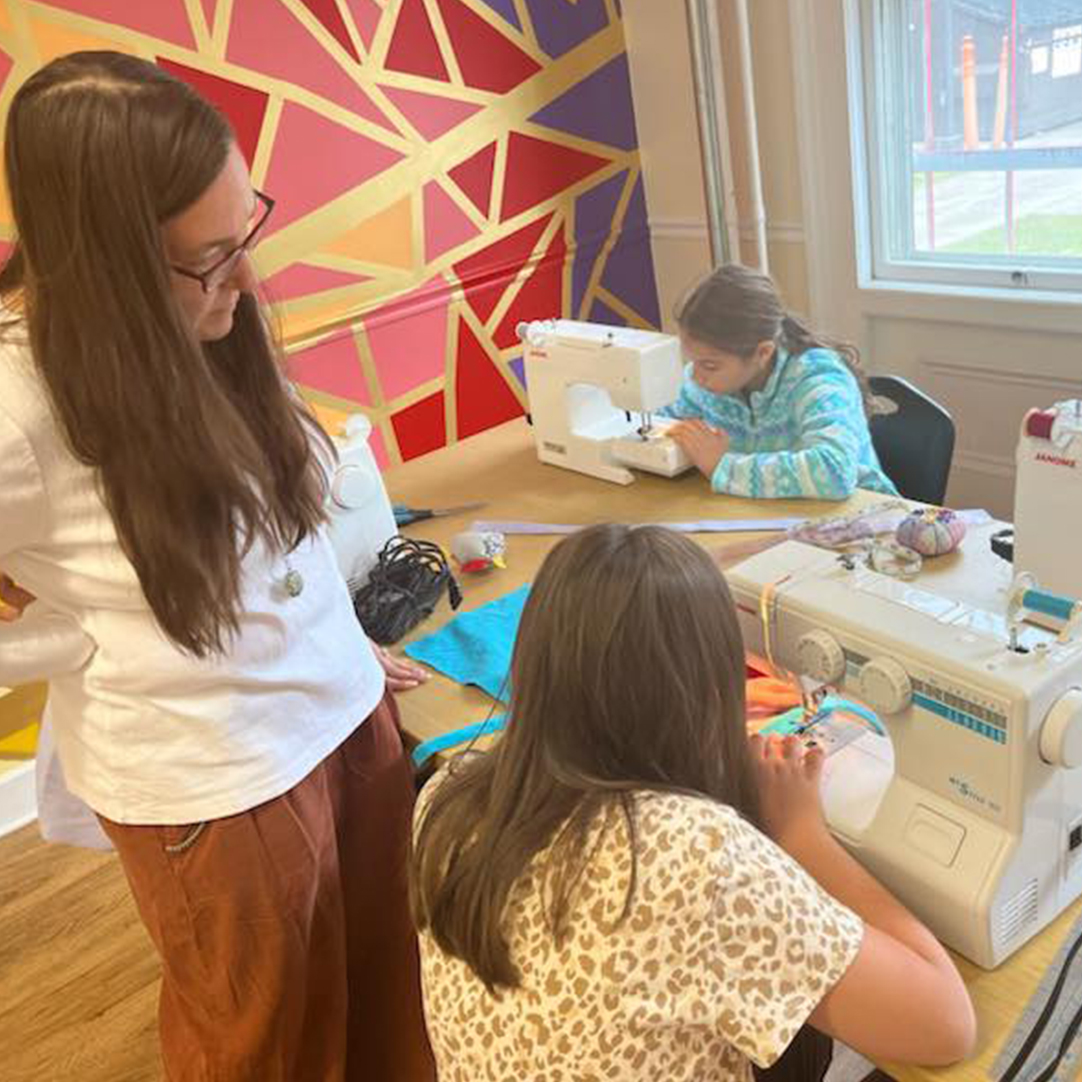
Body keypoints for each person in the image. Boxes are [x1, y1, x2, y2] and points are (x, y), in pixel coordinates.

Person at [0, 51, 433, 1081]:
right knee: (267, 1040)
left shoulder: (207, 324)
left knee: (388, 985)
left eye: (246, 233)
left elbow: (267, 537)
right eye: (207, 257)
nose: (243, 278)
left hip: (340, 718)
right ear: (108, 268)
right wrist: (71, 637)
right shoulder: (20, 405)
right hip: (217, 782)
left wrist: (345, 642)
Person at [411, 524, 975, 1082]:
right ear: (711, 690)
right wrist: (804, 835)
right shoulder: (693, 855)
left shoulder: (446, 799)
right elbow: (948, 1026)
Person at [661, 264, 897, 500]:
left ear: (762, 352)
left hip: (865, 517)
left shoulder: (818, 379)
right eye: (692, 361)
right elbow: (662, 422)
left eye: (709, 365)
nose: (695, 376)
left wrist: (724, 466)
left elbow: (834, 471)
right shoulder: (704, 384)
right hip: (776, 516)